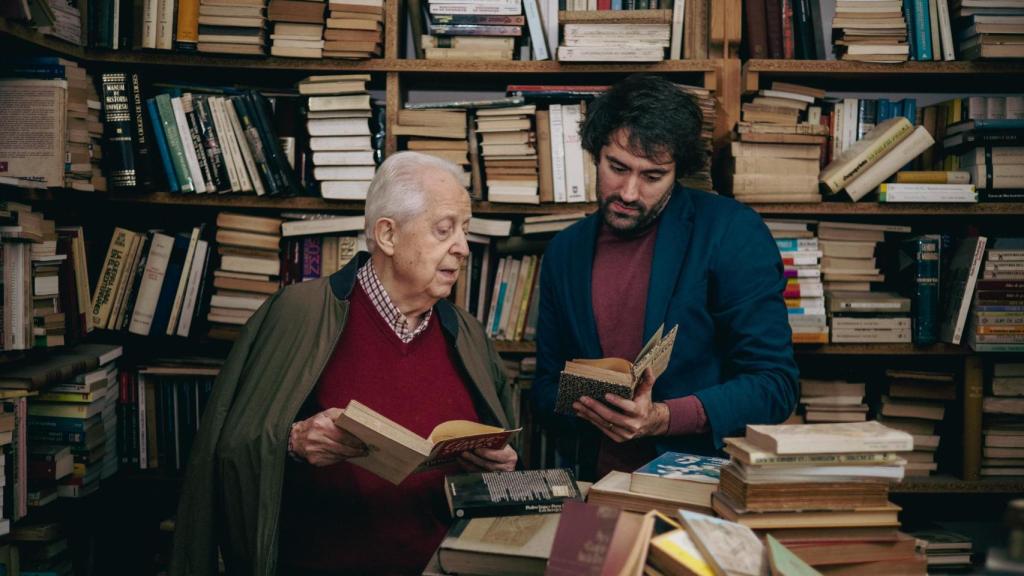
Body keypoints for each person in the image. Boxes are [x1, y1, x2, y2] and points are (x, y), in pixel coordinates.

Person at [170, 151, 518, 576]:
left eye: (465, 231)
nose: (462, 248)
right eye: (444, 229)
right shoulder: (297, 313)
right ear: (387, 235)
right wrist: (294, 442)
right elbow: (225, 451)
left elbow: (501, 462)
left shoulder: (467, 333)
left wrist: (499, 469)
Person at [533, 74, 799, 480]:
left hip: (702, 486)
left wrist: (662, 417)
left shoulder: (731, 232)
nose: (629, 192)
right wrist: (586, 406)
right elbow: (546, 386)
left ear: (678, 173)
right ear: (594, 154)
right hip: (596, 483)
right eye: (617, 167)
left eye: (652, 176)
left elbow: (774, 385)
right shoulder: (564, 252)